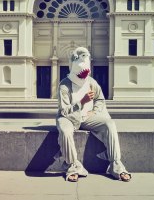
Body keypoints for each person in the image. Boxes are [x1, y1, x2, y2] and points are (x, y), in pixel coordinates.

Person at [56, 47, 131, 182]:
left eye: (86, 73)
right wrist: (81, 102)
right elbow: (64, 111)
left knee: (109, 124)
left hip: (87, 118)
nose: (84, 77)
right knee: (65, 131)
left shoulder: (91, 82)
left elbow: (100, 99)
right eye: (82, 74)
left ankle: (116, 166)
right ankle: (73, 166)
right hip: (69, 118)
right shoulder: (64, 85)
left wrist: (94, 111)